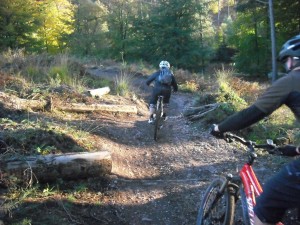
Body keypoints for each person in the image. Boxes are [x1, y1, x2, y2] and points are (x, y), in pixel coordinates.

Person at [211, 34, 300, 225]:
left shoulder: (293, 80)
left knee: (265, 205)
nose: (287, 66)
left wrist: (221, 127)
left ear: (296, 59)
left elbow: (252, 113)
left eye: (287, 61)